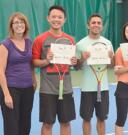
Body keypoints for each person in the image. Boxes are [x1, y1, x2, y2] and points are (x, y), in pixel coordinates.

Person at [32, 5, 77, 135]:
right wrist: (46, 60)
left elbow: (72, 63)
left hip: (67, 89)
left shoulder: (70, 40)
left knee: (66, 122)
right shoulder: (39, 39)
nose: (56, 19)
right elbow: (34, 62)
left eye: (59, 17)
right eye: (53, 17)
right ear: (48, 18)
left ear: (65, 20)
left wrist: (74, 62)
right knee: (47, 124)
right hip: (47, 89)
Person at [76, 14, 114, 135]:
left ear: (102, 26)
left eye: (98, 23)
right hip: (87, 88)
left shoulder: (107, 43)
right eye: (93, 22)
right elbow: (76, 67)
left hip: (103, 88)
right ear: (88, 25)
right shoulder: (80, 44)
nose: (96, 25)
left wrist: (111, 58)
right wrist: (82, 58)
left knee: (102, 118)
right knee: (86, 119)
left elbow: (111, 66)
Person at [0, 12, 36, 135]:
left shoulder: (29, 42)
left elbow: (30, 64)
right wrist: (6, 94)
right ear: (11, 26)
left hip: (28, 89)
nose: (19, 25)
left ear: (25, 25)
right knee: (11, 126)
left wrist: (34, 81)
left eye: (22, 22)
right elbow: (0, 71)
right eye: (16, 22)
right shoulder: (5, 45)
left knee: (25, 124)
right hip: (11, 89)